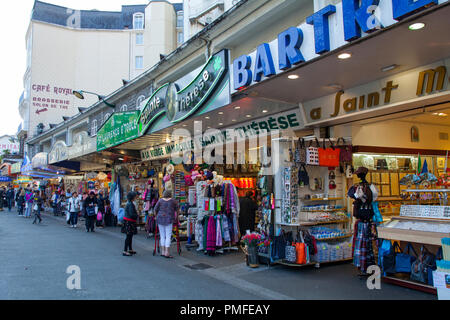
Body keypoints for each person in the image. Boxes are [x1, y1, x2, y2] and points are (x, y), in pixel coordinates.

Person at [154, 190, 179, 259]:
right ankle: (167, 252)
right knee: (168, 236)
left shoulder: (160, 200)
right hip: (169, 219)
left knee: (162, 236)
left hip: (160, 219)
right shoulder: (173, 201)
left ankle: (163, 251)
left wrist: (155, 216)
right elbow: (177, 209)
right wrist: (177, 217)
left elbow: (155, 209)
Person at [122, 192, 138, 256]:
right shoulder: (131, 204)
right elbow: (132, 214)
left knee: (130, 236)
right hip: (129, 221)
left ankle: (130, 249)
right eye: (135, 196)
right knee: (128, 236)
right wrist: (136, 215)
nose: (135, 197)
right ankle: (125, 250)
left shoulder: (129, 203)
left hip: (127, 221)